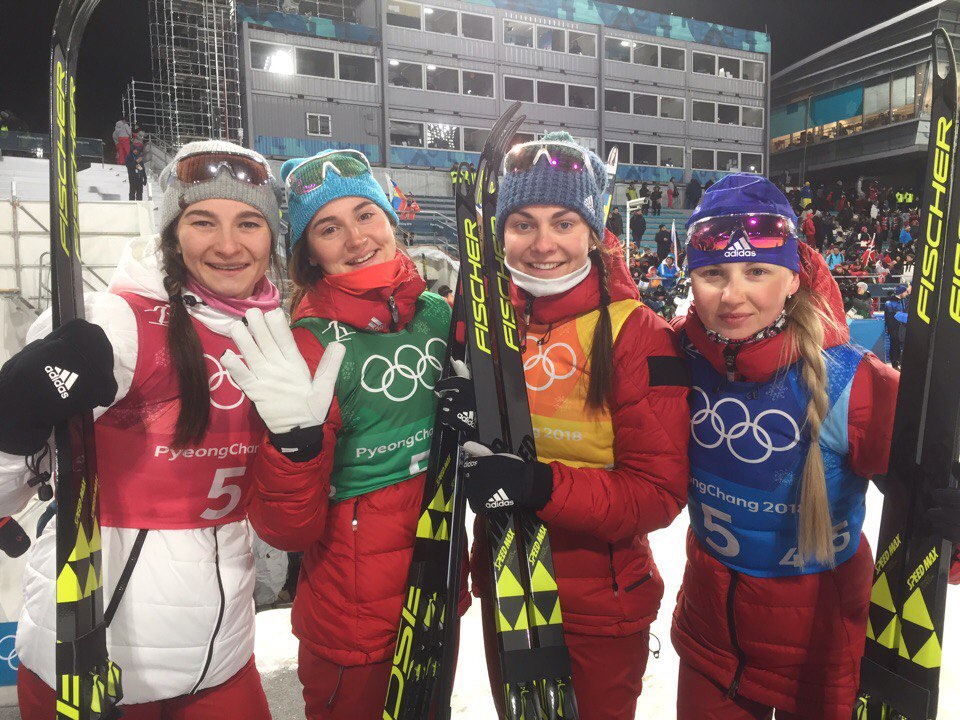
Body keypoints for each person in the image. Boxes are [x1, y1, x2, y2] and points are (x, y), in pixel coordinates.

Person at [1, 141, 283, 718]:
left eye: (248, 223)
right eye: (203, 221)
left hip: (222, 652)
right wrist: (15, 419)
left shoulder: (270, 329)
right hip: (95, 657)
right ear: (172, 233)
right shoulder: (120, 320)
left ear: (271, 237)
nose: (228, 245)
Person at [670, 173, 960, 719]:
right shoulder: (675, 357)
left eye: (757, 270)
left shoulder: (854, 381)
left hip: (822, 654)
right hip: (712, 645)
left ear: (793, 277)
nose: (732, 295)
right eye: (712, 273)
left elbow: (928, 510)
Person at [222, 148, 468, 719]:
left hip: (436, 583)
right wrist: (295, 448)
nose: (356, 238)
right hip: (353, 619)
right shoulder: (304, 345)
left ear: (391, 219)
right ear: (308, 251)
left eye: (365, 214)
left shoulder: (436, 314)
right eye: (329, 228)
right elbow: (285, 529)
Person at [458, 132, 690, 720]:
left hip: (598, 606)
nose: (543, 244)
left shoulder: (638, 332)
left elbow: (658, 494)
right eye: (523, 224)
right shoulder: (485, 321)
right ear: (501, 232)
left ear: (592, 230)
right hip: (509, 586)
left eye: (563, 222)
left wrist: (540, 485)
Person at [884, 283, 910, 370]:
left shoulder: (903, 301)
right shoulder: (890, 303)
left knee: (899, 346)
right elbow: (897, 316)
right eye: (905, 292)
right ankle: (895, 364)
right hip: (894, 329)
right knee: (894, 345)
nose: (906, 293)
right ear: (901, 292)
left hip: (901, 328)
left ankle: (899, 362)